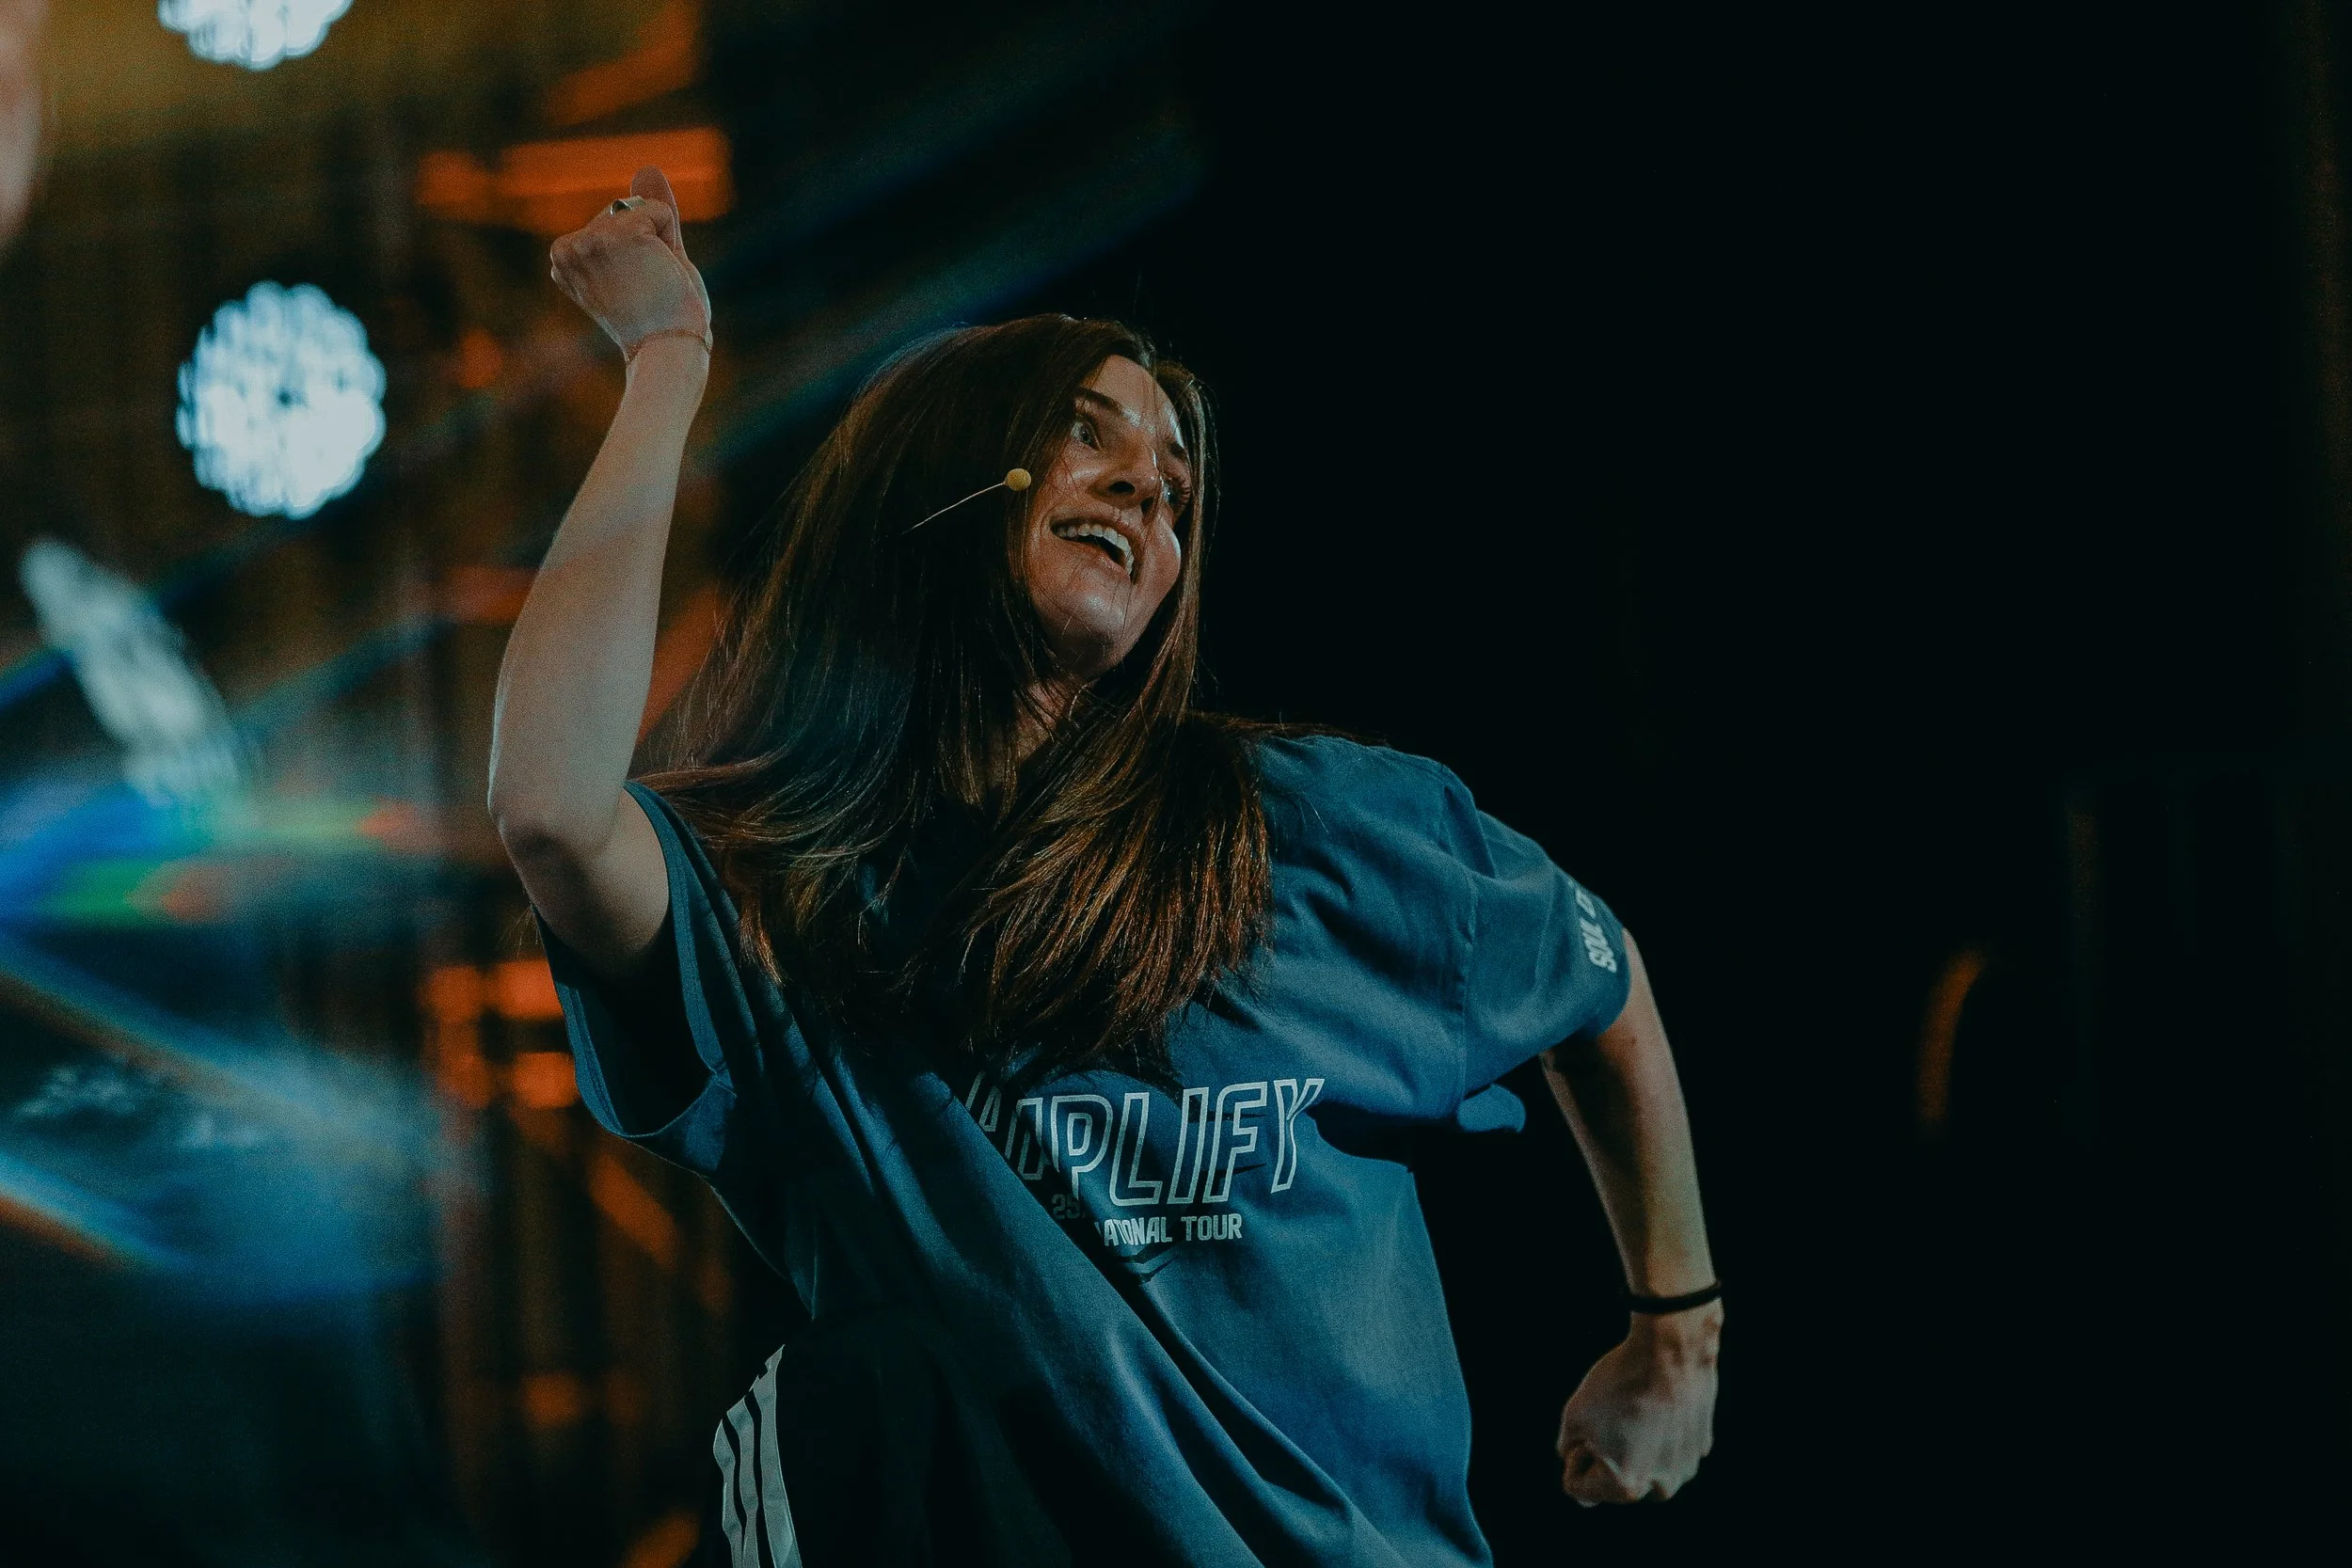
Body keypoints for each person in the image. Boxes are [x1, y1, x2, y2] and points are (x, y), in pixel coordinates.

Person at [491, 167, 1722, 1566]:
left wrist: (1675, 1332)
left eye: (1175, 481)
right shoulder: (783, 895)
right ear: (937, 483)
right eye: (1087, 435)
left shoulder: (1312, 825)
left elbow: (1597, 978)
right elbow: (548, 809)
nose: (1147, 480)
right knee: (854, 1398)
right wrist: (666, 361)